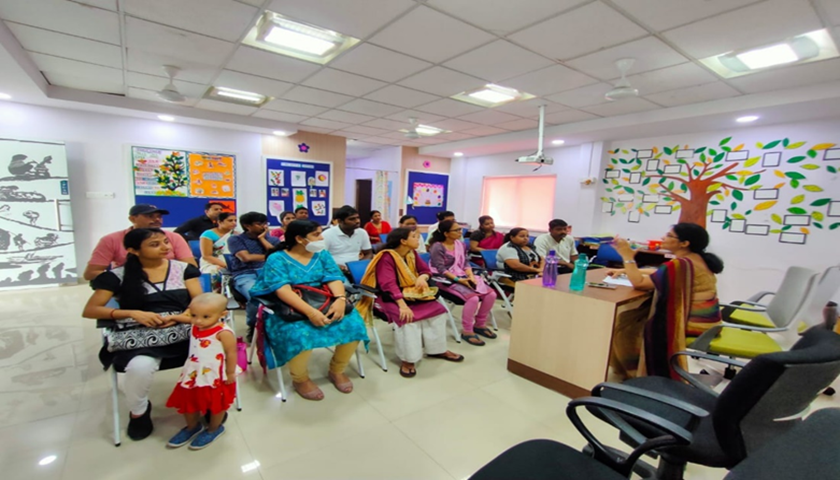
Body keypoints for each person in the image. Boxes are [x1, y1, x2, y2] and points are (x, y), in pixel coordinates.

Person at [82, 228, 202, 440]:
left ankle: (208, 403)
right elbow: (90, 310)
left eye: (165, 242)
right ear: (133, 250)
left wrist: (180, 317)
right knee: (139, 367)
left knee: (212, 355)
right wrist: (132, 313)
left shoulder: (183, 269)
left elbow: (200, 302)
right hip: (141, 335)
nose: (165, 247)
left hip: (184, 330)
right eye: (155, 244)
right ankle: (139, 412)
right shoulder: (117, 277)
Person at [249, 220, 369, 400]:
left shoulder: (322, 254)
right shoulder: (277, 258)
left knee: (354, 324)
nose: (321, 238)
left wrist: (340, 299)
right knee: (299, 334)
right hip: (291, 307)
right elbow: (282, 290)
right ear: (299, 239)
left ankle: (337, 370)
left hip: (323, 299)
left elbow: (334, 277)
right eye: (316, 234)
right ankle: (300, 379)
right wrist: (311, 313)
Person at [606, 223, 724, 380]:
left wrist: (627, 257)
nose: (663, 237)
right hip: (710, 321)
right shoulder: (695, 259)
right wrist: (624, 270)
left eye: (669, 235)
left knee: (628, 330)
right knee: (628, 317)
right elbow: (660, 271)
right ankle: (628, 371)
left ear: (684, 243)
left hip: (695, 324)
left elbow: (639, 283)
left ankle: (637, 377)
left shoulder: (680, 264)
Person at [355, 228, 464, 378]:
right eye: (414, 236)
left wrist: (422, 277)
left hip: (411, 293)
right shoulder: (386, 257)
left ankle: (437, 350)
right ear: (403, 241)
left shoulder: (411, 253)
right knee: (408, 317)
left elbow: (425, 270)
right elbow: (388, 285)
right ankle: (408, 359)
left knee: (438, 310)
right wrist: (402, 306)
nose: (418, 239)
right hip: (390, 297)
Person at [165, 293, 238, 450]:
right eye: (194, 315)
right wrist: (173, 318)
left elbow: (231, 353)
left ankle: (214, 428)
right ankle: (192, 426)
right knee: (189, 399)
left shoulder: (223, 332)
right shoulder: (196, 325)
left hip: (215, 375)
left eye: (205, 316)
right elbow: (187, 319)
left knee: (217, 404)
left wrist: (231, 372)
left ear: (222, 314)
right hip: (193, 372)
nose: (198, 321)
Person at [429, 220, 498, 346]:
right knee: (473, 298)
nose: (460, 232)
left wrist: (470, 276)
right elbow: (440, 269)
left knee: (491, 295)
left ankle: (480, 324)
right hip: (444, 280)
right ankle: (467, 331)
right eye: (456, 230)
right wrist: (458, 280)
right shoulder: (437, 247)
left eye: (460, 229)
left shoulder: (460, 244)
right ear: (446, 233)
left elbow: (466, 263)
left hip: (462, 275)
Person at [83, 204, 195, 281]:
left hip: (169, 282)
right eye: (150, 216)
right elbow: (90, 274)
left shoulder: (174, 237)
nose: (157, 220)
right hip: (127, 284)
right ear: (132, 219)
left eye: (159, 217)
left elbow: (190, 267)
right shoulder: (111, 240)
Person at [226, 212, 280, 335]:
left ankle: (276, 327)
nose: (264, 226)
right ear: (247, 226)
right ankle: (254, 327)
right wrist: (270, 257)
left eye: (265, 223)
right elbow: (246, 258)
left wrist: (262, 239)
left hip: (269, 273)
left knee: (287, 294)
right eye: (259, 224)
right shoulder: (236, 239)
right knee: (256, 294)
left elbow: (278, 257)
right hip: (245, 274)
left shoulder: (273, 240)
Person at [322, 205, 372, 273]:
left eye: (358, 218)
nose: (357, 221)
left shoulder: (362, 232)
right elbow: (320, 258)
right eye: (352, 219)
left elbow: (368, 253)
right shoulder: (327, 234)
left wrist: (359, 266)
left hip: (356, 270)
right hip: (334, 271)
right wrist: (334, 266)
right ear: (340, 221)